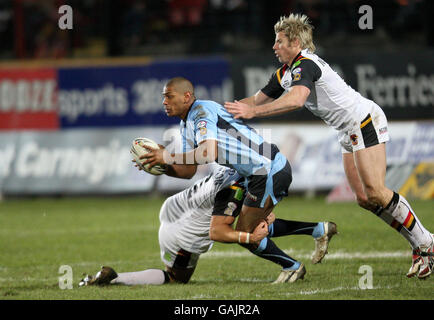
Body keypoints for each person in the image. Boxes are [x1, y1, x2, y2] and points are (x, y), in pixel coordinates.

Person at [224, 13, 433, 280]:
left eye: (279, 41)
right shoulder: (284, 73)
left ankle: (426, 243)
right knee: (364, 199)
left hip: (363, 120)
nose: (274, 47)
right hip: (347, 129)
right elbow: (254, 100)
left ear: (296, 42)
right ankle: (421, 244)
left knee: (377, 192)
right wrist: (221, 115)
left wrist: (254, 114)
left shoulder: (305, 65)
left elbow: (297, 100)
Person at [140, 77, 337, 283]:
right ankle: (317, 230)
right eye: (163, 98)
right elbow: (188, 170)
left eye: (169, 96)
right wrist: (161, 166)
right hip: (254, 173)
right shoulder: (186, 124)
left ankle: (293, 267)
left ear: (186, 96)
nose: (164, 102)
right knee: (247, 228)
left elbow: (208, 151)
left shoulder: (200, 112)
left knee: (246, 233)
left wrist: (167, 156)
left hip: (266, 170)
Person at [79, 167, 336, 286]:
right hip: (182, 235)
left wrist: (264, 215)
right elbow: (218, 232)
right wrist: (248, 237)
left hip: (175, 209)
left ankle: (315, 233)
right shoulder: (233, 189)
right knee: (176, 278)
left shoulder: (231, 169)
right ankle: (116, 279)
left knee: (253, 222)